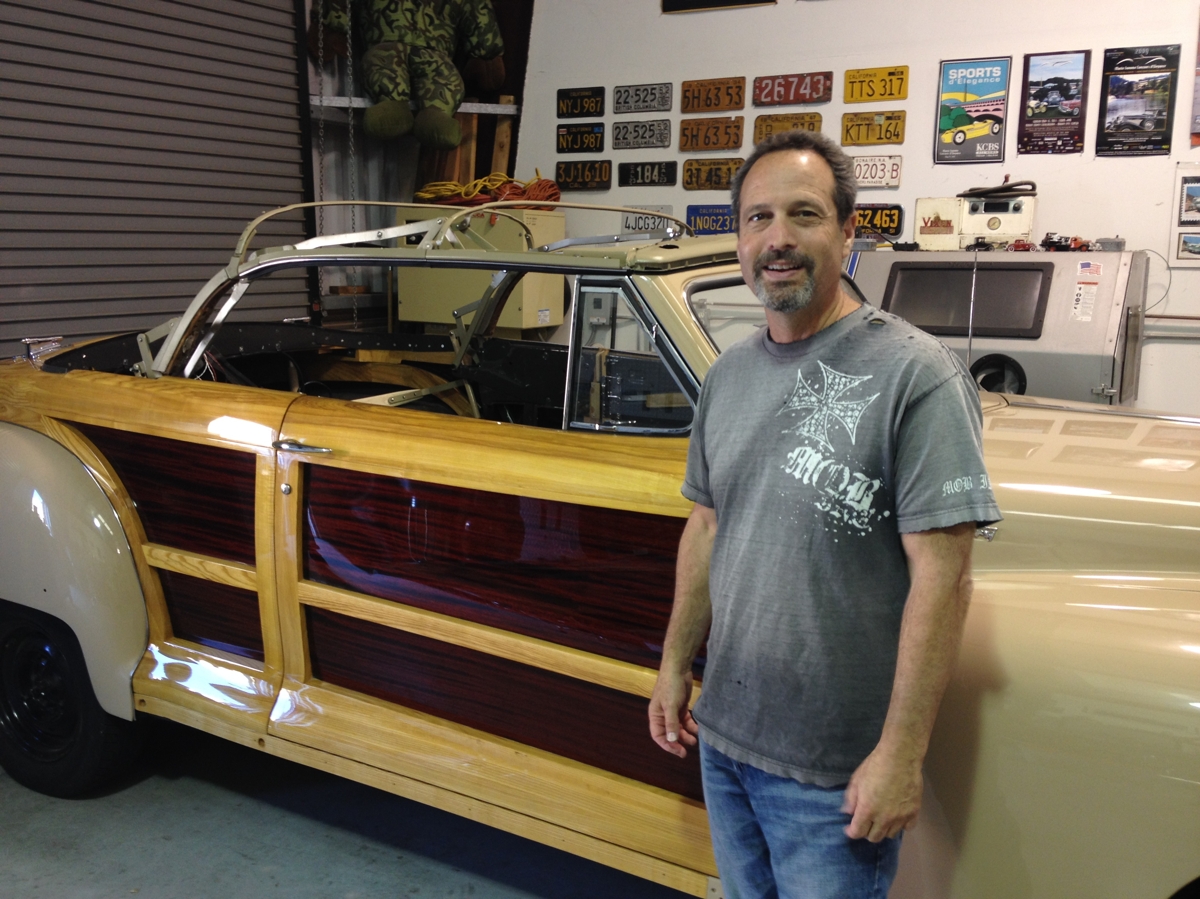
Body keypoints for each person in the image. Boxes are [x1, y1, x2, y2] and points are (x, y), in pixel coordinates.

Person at [647, 130, 1001, 898]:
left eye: (803, 214)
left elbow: (944, 578)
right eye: (758, 217)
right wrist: (673, 665)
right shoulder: (729, 375)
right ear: (739, 239)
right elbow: (707, 526)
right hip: (725, 737)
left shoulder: (916, 376)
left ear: (848, 231)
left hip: (831, 774)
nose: (777, 238)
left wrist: (901, 753)